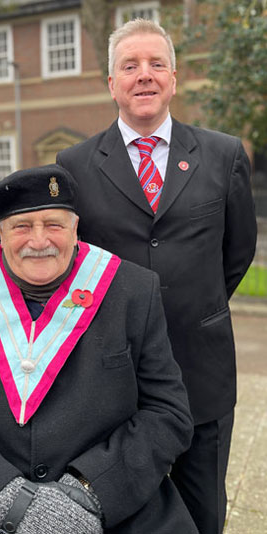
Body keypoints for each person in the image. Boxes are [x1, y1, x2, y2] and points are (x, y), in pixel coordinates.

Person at [0, 165, 195, 533]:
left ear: (74, 228)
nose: (39, 241)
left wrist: (89, 491)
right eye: (22, 227)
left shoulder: (133, 290)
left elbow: (168, 412)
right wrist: (3, 498)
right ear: (0, 232)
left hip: (116, 511)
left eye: (53, 224)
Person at [54, 19, 256, 534]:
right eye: (130, 65)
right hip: (111, 374)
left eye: (155, 64)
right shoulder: (73, 164)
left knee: (203, 509)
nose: (144, 75)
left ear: (173, 78)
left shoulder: (223, 154)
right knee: (119, 511)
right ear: (112, 84)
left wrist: (196, 303)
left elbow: (238, 252)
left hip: (201, 371)